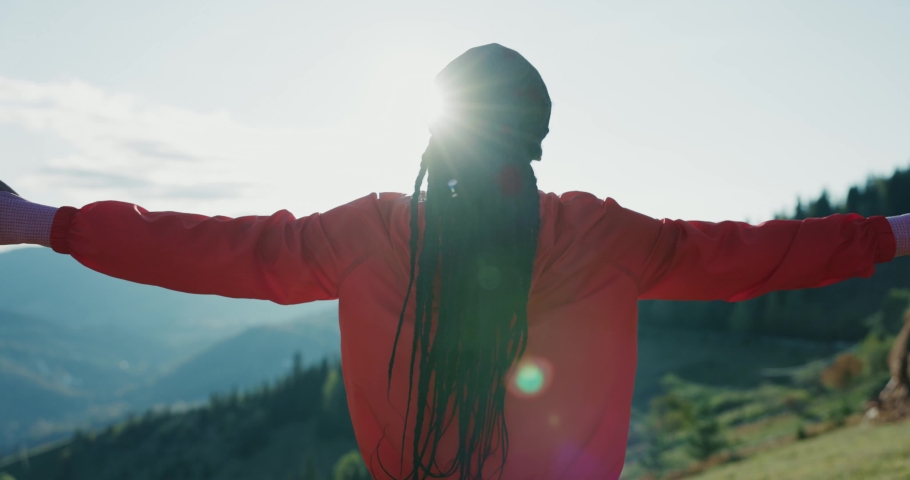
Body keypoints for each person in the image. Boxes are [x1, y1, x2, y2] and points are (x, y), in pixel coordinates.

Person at [0, 44, 906, 480]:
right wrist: (897, 235)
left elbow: (209, 248)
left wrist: (43, 221)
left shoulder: (368, 235)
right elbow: (764, 255)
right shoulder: (607, 238)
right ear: (541, 139)